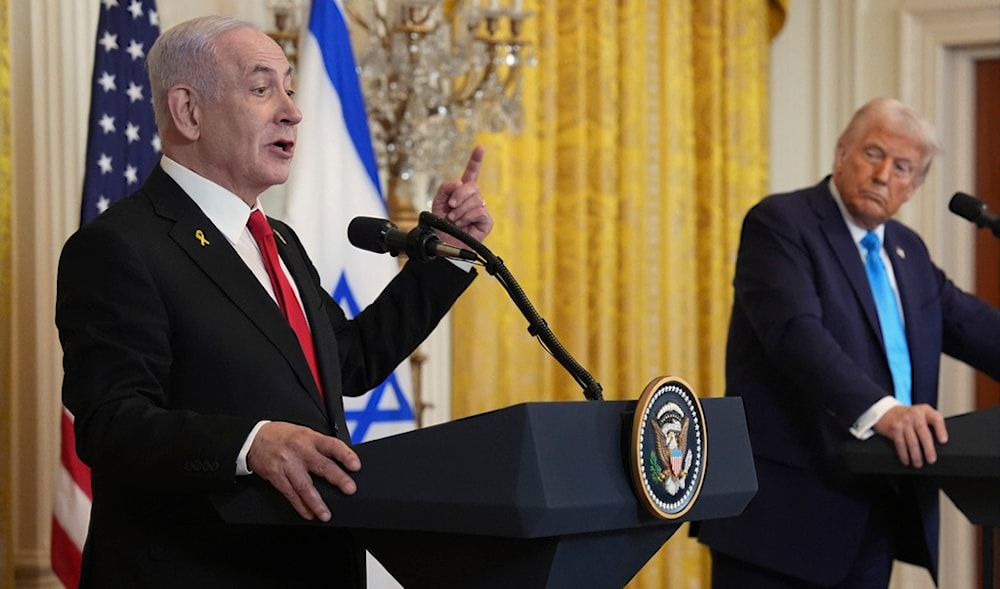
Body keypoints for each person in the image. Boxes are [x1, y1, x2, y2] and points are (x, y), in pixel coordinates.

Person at [55, 15, 493, 588]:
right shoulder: (118, 246)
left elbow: (348, 361)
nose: (293, 109)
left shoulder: (278, 240)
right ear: (189, 112)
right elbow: (111, 425)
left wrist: (447, 257)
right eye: (262, 89)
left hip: (311, 566)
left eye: (289, 86)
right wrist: (251, 443)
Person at [695, 97, 1000, 588]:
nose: (883, 175)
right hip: (781, 520)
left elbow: (974, 326)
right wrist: (886, 412)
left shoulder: (908, 253)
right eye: (873, 154)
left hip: (870, 515)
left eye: (902, 167)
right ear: (841, 154)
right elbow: (796, 334)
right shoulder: (781, 224)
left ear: (914, 187)